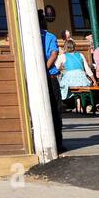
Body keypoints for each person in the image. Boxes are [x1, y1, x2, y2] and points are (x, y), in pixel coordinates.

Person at [40, 13, 68, 153]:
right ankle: (58, 142)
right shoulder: (50, 36)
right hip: (50, 76)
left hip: (39, 77)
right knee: (56, 110)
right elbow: (54, 54)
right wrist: (45, 68)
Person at [57, 40, 94, 108]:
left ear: (65, 47)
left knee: (59, 85)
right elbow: (87, 69)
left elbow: (56, 67)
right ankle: (79, 105)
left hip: (70, 80)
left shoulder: (63, 56)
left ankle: (63, 104)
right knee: (79, 89)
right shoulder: (80, 55)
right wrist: (94, 80)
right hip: (82, 80)